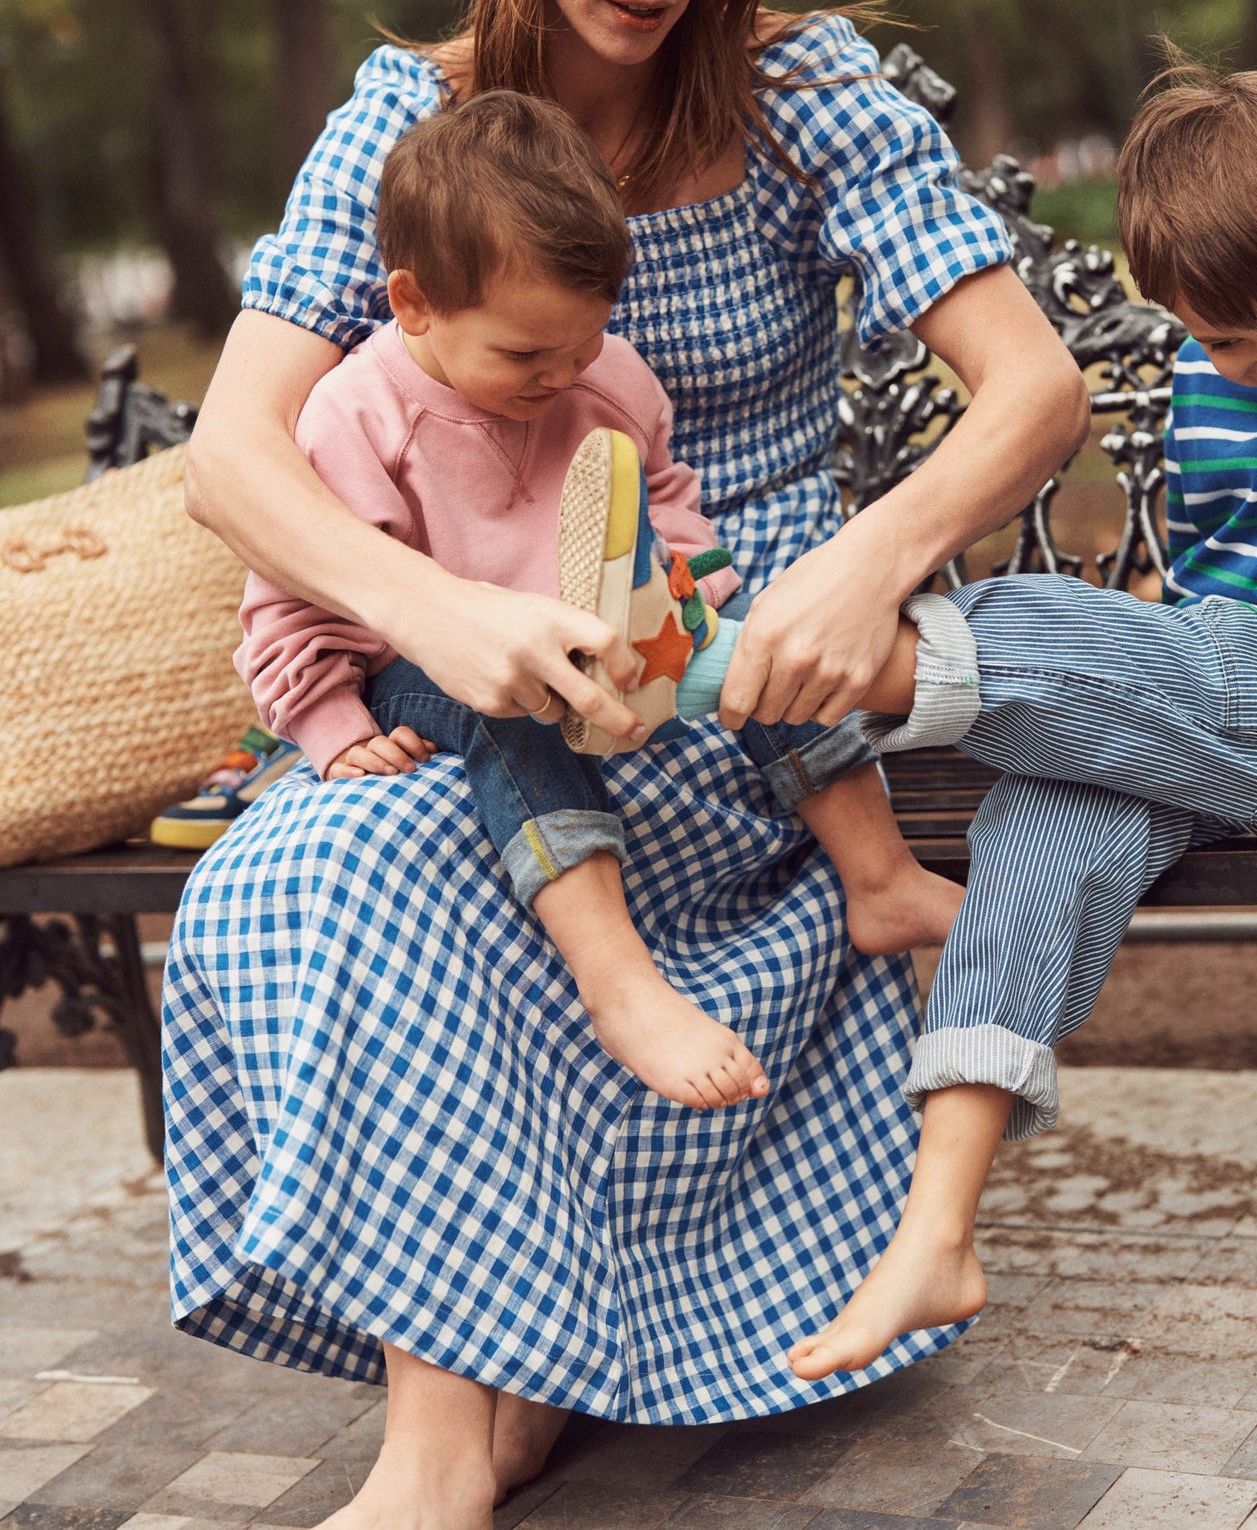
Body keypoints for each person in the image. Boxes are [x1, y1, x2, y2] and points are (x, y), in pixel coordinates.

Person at [167, 0, 1088, 1524]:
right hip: (487, 677)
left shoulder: (804, 91)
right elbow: (230, 454)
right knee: (328, 862)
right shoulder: (408, 126)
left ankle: (468, 1430)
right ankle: (455, 1434)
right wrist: (437, 616)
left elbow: (1039, 390)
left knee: (461, 848)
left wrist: (862, 554)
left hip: (736, 692)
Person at [787, 53, 1257, 1382]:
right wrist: (1145, 688)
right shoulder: (1205, 387)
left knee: (1045, 627)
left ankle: (796, 669)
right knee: (1047, 826)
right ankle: (937, 1230)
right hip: (1216, 705)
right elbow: (1201, 582)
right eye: (1222, 341)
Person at [238, 88, 968, 1113]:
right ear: (413, 305)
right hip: (432, 672)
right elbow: (290, 594)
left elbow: (665, 511)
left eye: (580, 342)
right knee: (514, 717)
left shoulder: (608, 378)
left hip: (609, 644)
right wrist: (326, 719)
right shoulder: (355, 412)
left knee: (758, 651)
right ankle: (618, 983)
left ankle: (878, 875)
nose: (560, 374)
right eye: (523, 354)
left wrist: (692, 612)